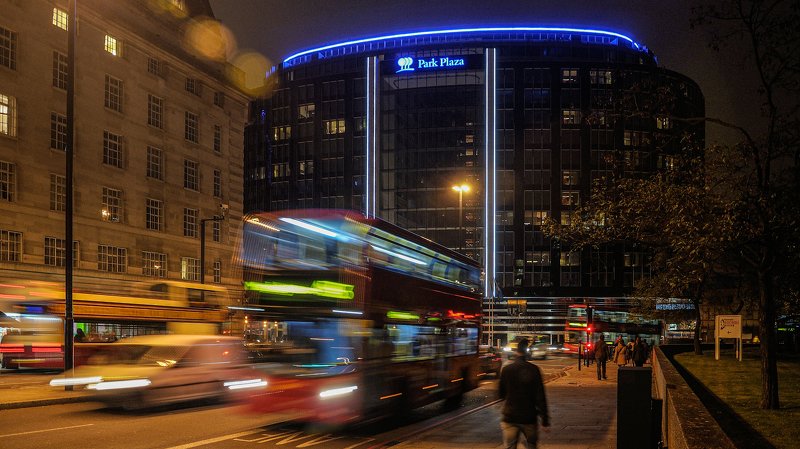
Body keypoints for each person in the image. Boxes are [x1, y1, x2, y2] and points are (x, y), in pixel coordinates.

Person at [499, 338, 550, 449]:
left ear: (516, 352)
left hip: (510, 416)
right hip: (529, 417)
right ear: (527, 352)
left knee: (510, 446)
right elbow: (540, 397)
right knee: (531, 445)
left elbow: (500, 394)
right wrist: (545, 420)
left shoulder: (506, 369)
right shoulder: (534, 370)